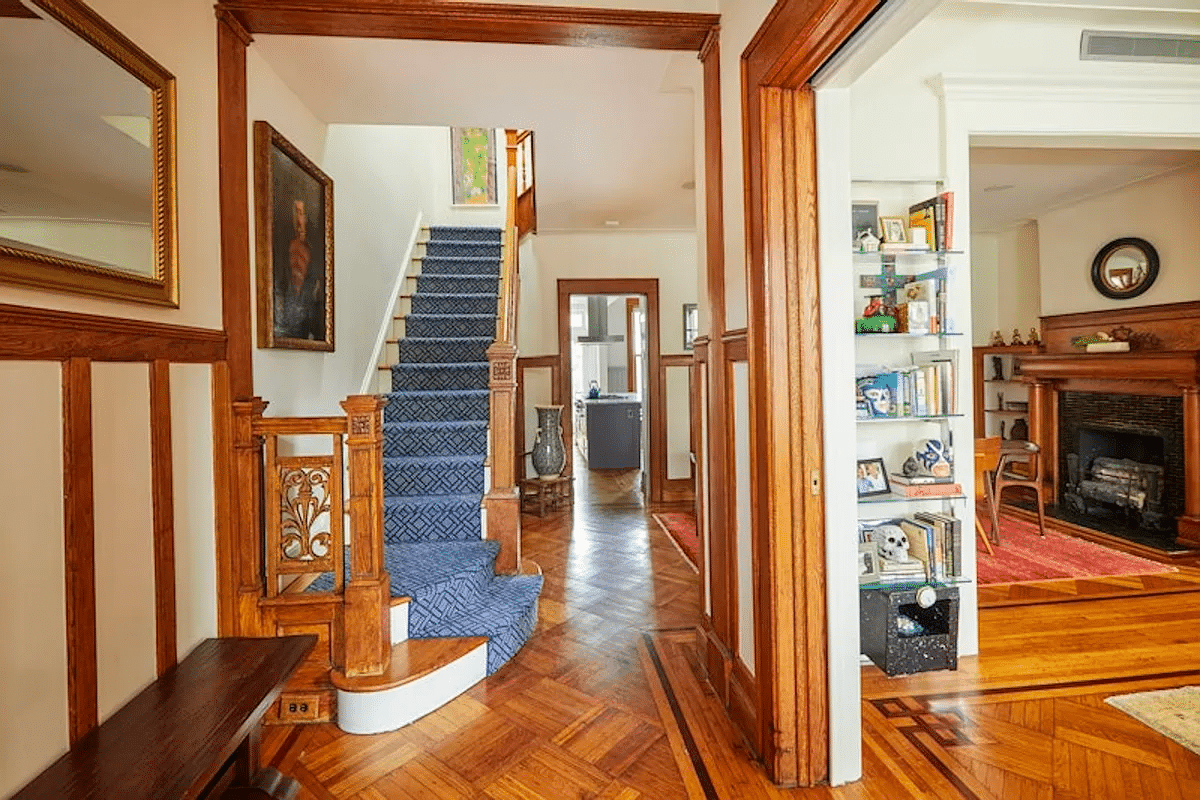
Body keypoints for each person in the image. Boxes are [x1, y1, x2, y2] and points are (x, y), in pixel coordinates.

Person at [275, 196, 325, 341]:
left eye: (301, 214)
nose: (298, 221)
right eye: (295, 214)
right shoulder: (280, 258)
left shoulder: (316, 259)